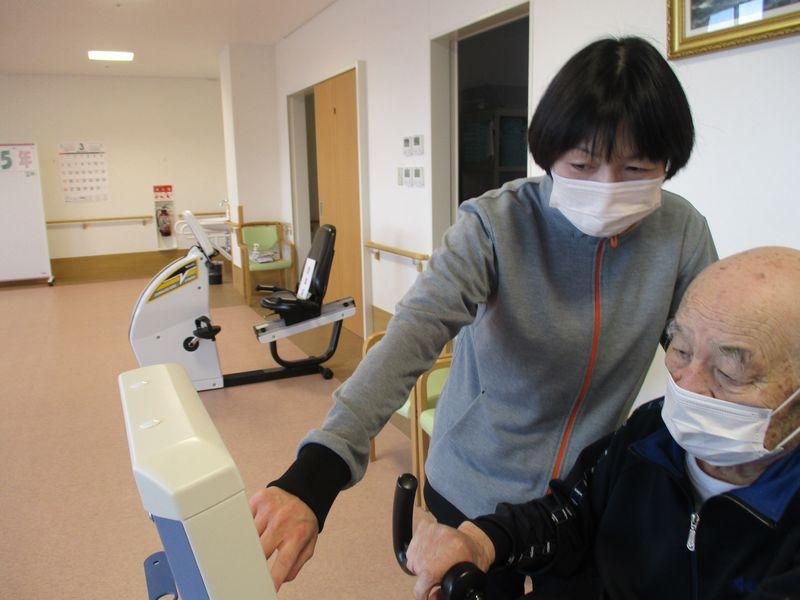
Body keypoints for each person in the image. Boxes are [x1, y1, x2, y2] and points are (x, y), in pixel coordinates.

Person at [250, 36, 718, 597]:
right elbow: (411, 337)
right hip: (473, 485)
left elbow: (705, 358)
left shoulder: (681, 233)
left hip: (578, 500)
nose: (607, 189)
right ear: (550, 154)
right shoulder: (496, 225)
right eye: (582, 165)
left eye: (635, 168)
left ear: (668, 164)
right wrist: (316, 474)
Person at [406, 247, 800, 600]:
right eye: (681, 350)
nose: (687, 386)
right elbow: (570, 514)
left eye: (728, 373)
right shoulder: (649, 433)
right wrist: (482, 541)